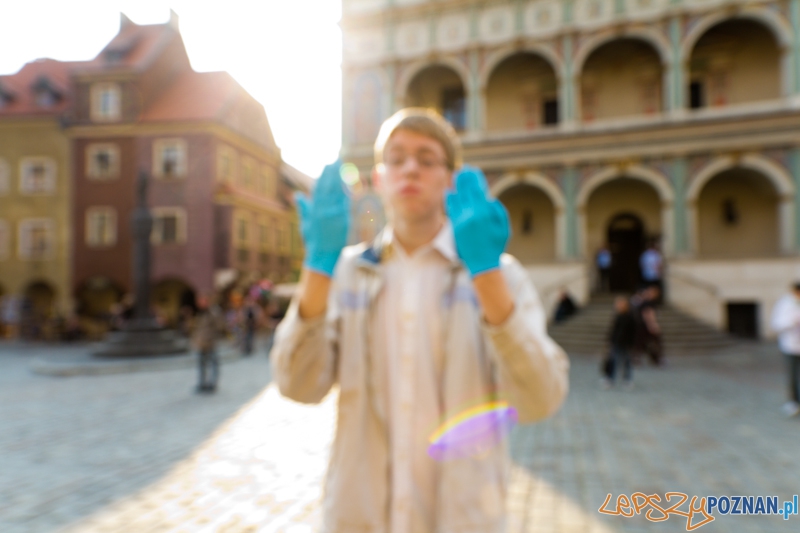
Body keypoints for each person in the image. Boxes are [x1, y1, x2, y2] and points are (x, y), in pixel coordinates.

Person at [271, 108, 569, 533]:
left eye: (427, 159)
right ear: (378, 179)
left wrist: (487, 277)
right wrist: (318, 269)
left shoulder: (501, 276)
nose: (410, 168)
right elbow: (297, 385)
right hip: (359, 519)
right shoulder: (346, 274)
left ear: (450, 179)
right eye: (396, 159)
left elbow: (541, 399)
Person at [770, 282, 800, 418]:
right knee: (793, 376)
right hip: (791, 347)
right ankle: (794, 403)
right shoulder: (785, 303)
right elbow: (776, 324)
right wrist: (792, 321)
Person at [603, 296, 637, 389]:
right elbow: (614, 331)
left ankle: (627, 379)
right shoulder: (618, 316)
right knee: (614, 361)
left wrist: (631, 343)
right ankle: (611, 378)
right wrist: (611, 340)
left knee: (626, 362)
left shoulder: (630, 317)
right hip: (617, 342)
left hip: (626, 343)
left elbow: (633, 332)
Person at [192, 295, 222, 394]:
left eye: (201, 300)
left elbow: (219, 326)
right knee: (202, 364)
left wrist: (211, 338)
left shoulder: (213, 312)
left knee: (213, 363)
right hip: (201, 343)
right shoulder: (200, 313)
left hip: (210, 343)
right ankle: (202, 383)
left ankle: (212, 384)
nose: (199, 303)